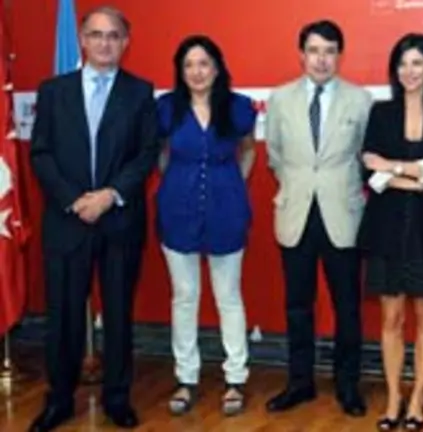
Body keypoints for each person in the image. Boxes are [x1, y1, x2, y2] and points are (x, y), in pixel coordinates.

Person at [28, 5, 160, 431]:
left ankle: (117, 398)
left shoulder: (140, 92)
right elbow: (41, 154)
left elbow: (145, 155)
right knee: (63, 316)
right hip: (67, 222)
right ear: (82, 40)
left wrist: (108, 195)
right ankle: (59, 399)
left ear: (126, 42)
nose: (105, 43)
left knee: (119, 313)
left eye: (114, 36)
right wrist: (75, 200)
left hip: (119, 219)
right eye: (97, 35)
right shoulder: (53, 91)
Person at [264, 19, 372, 417]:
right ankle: (299, 383)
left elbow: (364, 156)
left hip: (342, 214)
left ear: (339, 55)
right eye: (314, 50)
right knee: (297, 305)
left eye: (329, 51)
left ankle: (348, 385)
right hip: (295, 213)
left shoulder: (359, 101)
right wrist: (300, 184)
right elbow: (275, 155)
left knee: (347, 306)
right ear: (301, 54)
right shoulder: (280, 99)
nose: (321, 59)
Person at [357, 33, 423, 431]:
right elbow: (369, 170)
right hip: (387, 227)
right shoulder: (381, 112)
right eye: (403, 63)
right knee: (390, 318)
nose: (410, 71)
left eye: (417, 63)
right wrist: (414, 171)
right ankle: (393, 397)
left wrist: (393, 166)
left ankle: (418, 397)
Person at [155, 35, 256, 417]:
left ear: (217, 67)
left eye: (204, 63)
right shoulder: (165, 109)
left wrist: (232, 187)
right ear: (181, 72)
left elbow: (247, 150)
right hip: (177, 209)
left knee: (228, 296)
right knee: (184, 296)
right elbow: (163, 155)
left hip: (226, 208)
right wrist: (175, 189)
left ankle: (235, 378)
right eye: (189, 65)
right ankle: (186, 377)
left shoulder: (238, 107)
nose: (197, 72)